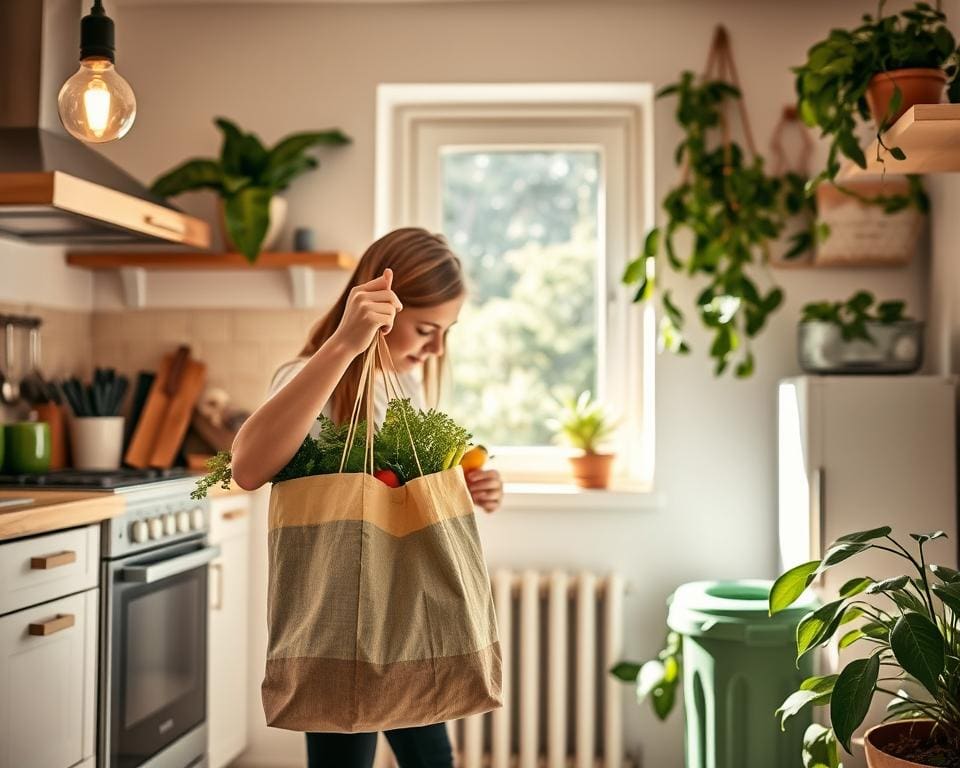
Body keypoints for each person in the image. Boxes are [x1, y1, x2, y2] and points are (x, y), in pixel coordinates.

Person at [230, 227, 504, 768]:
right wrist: (344, 344)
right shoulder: (311, 377)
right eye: (427, 328)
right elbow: (247, 468)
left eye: (446, 332)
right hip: (340, 618)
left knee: (431, 757)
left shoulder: (405, 384)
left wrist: (465, 485)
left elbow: (401, 482)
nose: (436, 348)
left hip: (407, 612)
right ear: (383, 307)